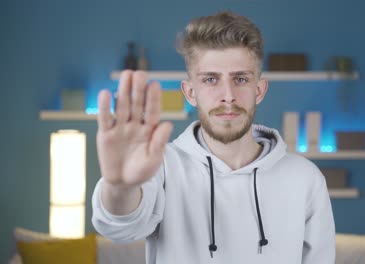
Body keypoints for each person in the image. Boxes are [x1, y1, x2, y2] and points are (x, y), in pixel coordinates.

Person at [92, 11, 335, 264]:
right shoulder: (161, 166)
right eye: (210, 79)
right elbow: (119, 229)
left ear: (259, 90)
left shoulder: (305, 177)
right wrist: (120, 187)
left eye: (240, 79)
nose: (228, 95)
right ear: (190, 92)